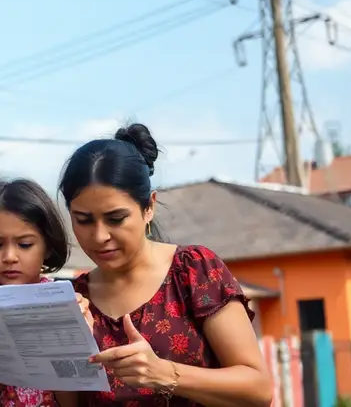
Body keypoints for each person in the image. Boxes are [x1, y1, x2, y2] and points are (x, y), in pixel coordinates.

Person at [59, 123, 272, 407]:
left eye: (116, 218)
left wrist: (163, 373)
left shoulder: (193, 272)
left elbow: (258, 389)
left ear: (149, 207)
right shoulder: (74, 300)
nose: (99, 236)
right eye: (83, 220)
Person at [0, 178, 94, 407]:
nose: (10, 257)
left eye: (24, 245)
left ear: (48, 245)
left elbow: (72, 399)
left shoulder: (62, 302)